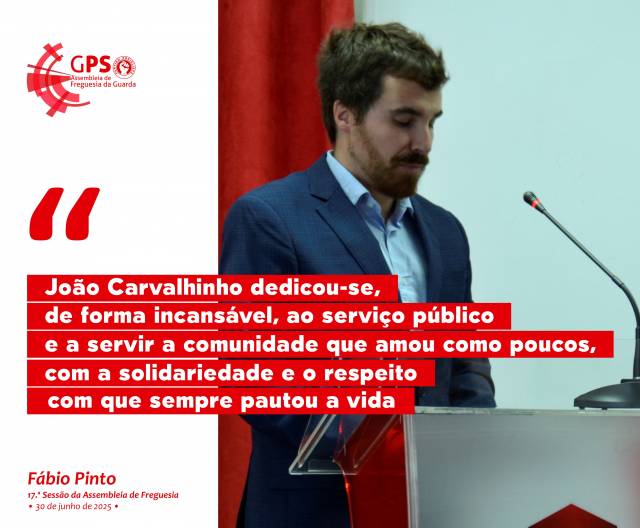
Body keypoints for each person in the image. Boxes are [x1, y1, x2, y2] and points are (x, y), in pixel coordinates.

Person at [220, 22, 496, 528]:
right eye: (404, 120)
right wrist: (382, 448)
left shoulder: (445, 232)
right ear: (344, 113)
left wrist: (471, 439)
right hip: (313, 511)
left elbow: (465, 364)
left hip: (429, 509)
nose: (423, 142)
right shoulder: (270, 218)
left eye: (432, 121)